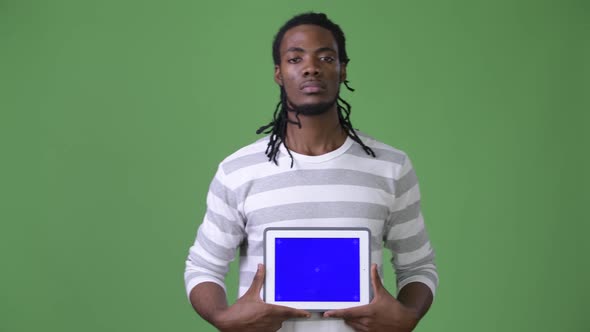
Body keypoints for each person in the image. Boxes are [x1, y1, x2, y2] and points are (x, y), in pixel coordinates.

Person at [184, 12, 438, 332]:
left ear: (343, 70)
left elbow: (418, 266)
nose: (311, 67)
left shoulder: (391, 166)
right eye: (295, 58)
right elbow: (203, 267)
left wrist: (409, 315)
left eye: (326, 57)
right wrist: (222, 317)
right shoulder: (238, 170)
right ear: (279, 73)